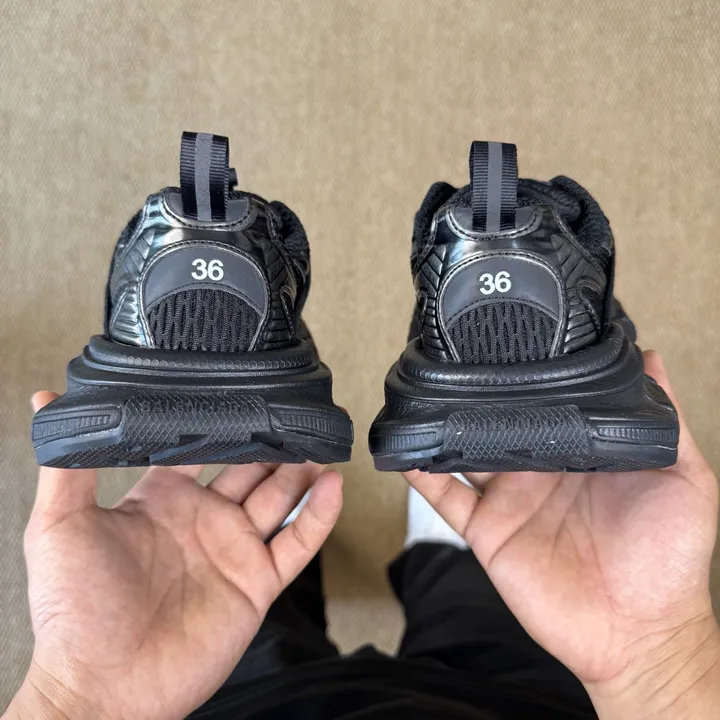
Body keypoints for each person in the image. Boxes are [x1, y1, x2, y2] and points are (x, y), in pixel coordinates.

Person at [4, 350, 719, 719]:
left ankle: (300, 539)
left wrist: (84, 699)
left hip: (227, 704)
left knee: (243, 592)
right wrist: (655, 661)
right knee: (478, 594)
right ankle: (445, 536)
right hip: (526, 704)